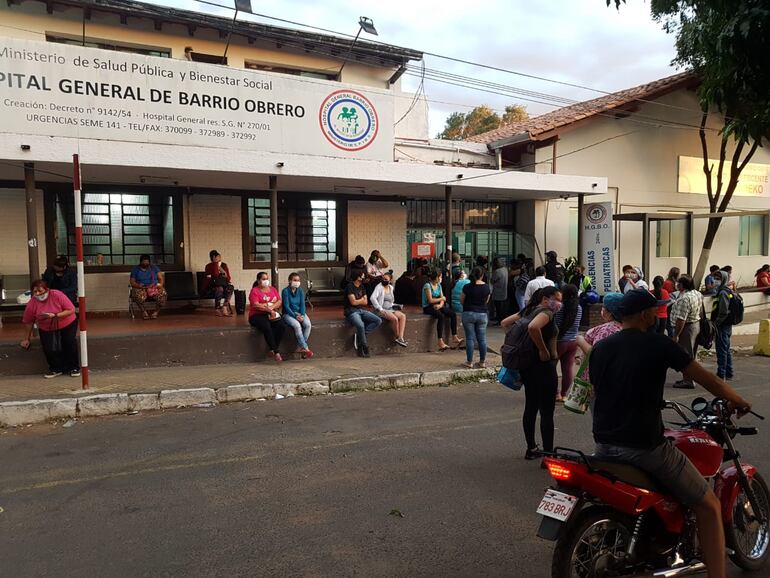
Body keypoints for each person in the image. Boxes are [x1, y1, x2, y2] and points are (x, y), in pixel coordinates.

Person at [590, 288, 751, 578]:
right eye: (655, 310)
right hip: (644, 447)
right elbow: (706, 379)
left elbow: (598, 391)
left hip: (602, 444)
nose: (658, 313)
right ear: (644, 314)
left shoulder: (601, 347)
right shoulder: (658, 344)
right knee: (708, 503)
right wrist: (737, 400)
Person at [501, 286, 563, 459]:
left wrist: (519, 344)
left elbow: (505, 323)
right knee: (546, 412)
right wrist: (542, 350)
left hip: (527, 366)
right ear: (545, 298)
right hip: (544, 367)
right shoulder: (546, 312)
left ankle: (531, 448)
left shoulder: (528, 310)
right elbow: (534, 328)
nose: (559, 303)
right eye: (557, 299)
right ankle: (549, 455)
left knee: (531, 407)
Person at [19, 280, 80, 379]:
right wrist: (26, 338)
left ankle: (73, 367)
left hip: (66, 322)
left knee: (68, 342)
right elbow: (28, 321)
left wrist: (56, 315)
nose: (38, 294)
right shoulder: (32, 303)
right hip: (46, 326)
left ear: (47, 290)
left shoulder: (57, 295)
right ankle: (56, 368)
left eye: (40, 291)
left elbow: (71, 309)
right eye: (35, 292)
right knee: (49, 347)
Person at [670, 274, 702, 389]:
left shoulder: (685, 299)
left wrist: (676, 335)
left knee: (686, 355)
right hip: (695, 324)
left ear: (683, 285)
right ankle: (689, 378)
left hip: (686, 328)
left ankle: (688, 380)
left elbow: (681, 319)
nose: (676, 284)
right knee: (691, 354)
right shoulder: (696, 293)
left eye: (678, 283)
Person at [554, 284, 582, 402]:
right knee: (567, 369)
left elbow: (555, 323)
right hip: (573, 341)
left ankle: (555, 394)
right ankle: (564, 394)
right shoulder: (579, 308)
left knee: (551, 368)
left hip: (559, 341)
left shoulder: (559, 307)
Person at [345, 268, 382, 357]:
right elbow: (353, 302)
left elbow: (366, 302)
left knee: (378, 320)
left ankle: (360, 336)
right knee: (360, 325)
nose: (364, 276)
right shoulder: (350, 286)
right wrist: (361, 300)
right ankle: (364, 346)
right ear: (357, 277)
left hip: (361, 310)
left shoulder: (362, 287)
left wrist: (360, 300)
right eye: (362, 275)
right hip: (351, 311)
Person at [422, 269, 462, 351]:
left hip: (438, 305)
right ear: (436, 277)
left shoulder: (439, 285)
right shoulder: (427, 286)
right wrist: (441, 299)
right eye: (440, 277)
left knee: (452, 314)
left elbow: (443, 299)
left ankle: (454, 336)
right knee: (441, 316)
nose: (441, 278)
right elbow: (430, 300)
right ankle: (440, 341)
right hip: (428, 306)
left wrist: (440, 305)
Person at [249, 272, 285, 362]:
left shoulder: (273, 289)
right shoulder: (255, 291)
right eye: (263, 279)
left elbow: (279, 301)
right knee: (266, 326)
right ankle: (276, 352)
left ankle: (272, 349)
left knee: (282, 326)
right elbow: (256, 305)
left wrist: (272, 308)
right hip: (257, 315)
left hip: (271, 313)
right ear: (258, 280)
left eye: (267, 279)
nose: (266, 281)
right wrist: (269, 310)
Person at [460, 266, 491, 369]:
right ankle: (482, 362)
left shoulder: (467, 287)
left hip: (468, 313)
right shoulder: (487, 287)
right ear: (482, 275)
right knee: (482, 339)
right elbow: (486, 301)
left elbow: (462, 301)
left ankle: (469, 362)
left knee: (470, 338)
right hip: (482, 314)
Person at [370, 271, 408, 347]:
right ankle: (397, 337)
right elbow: (372, 298)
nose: (384, 280)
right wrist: (380, 309)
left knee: (403, 316)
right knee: (395, 319)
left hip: (390, 308)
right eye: (383, 278)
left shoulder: (391, 288)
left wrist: (396, 305)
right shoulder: (379, 287)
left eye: (386, 279)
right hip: (381, 310)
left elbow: (390, 301)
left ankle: (401, 337)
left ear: (390, 280)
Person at [711, 270, 736, 380]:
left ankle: (722, 373)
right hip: (726, 324)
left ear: (724, 279)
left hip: (722, 325)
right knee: (726, 348)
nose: (716, 281)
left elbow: (723, 311)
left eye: (718, 279)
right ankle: (728, 371)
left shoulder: (723, 293)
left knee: (722, 349)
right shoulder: (725, 290)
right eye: (715, 278)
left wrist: (716, 324)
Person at [281, 272, 313, 358]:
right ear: (289, 281)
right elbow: (286, 306)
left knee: (308, 325)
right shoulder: (285, 291)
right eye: (295, 280)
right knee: (297, 325)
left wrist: (302, 315)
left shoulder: (300, 291)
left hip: (299, 312)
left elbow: (302, 304)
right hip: (288, 314)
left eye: (298, 280)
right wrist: (295, 316)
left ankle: (301, 346)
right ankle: (305, 348)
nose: (297, 282)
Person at [129, 254, 167, 319]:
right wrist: (138, 285)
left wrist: (160, 285)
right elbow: (132, 282)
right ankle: (144, 312)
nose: (145, 264)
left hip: (153, 287)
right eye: (144, 262)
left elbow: (161, 278)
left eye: (147, 262)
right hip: (141, 288)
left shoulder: (154, 268)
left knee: (163, 294)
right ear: (140, 262)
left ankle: (156, 312)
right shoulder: (135, 269)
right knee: (138, 295)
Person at [201, 250, 234, 316]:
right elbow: (213, 276)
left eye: (219, 256)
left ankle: (224, 307)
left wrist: (223, 271)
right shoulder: (209, 266)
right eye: (218, 257)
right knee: (219, 288)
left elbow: (228, 278)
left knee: (230, 287)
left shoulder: (224, 265)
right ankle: (217, 308)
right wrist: (215, 265)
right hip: (212, 287)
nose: (220, 258)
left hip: (224, 285)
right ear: (213, 257)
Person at [490, 257, 508, 324]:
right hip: (504, 291)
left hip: (498, 292)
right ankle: (500, 318)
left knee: (498, 307)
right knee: (502, 307)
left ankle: (499, 320)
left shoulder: (497, 271)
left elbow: (492, 280)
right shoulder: (505, 269)